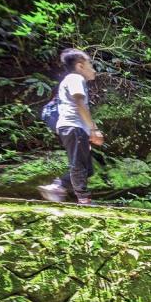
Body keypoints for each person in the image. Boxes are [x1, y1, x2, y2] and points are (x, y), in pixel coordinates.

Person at [38, 49, 104, 205]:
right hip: (72, 126)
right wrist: (93, 130)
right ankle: (84, 199)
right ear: (80, 66)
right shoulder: (75, 78)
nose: (94, 70)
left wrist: (89, 133)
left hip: (74, 128)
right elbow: (79, 104)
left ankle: (57, 186)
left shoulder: (71, 80)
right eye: (91, 65)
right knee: (79, 165)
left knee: (87, 168)